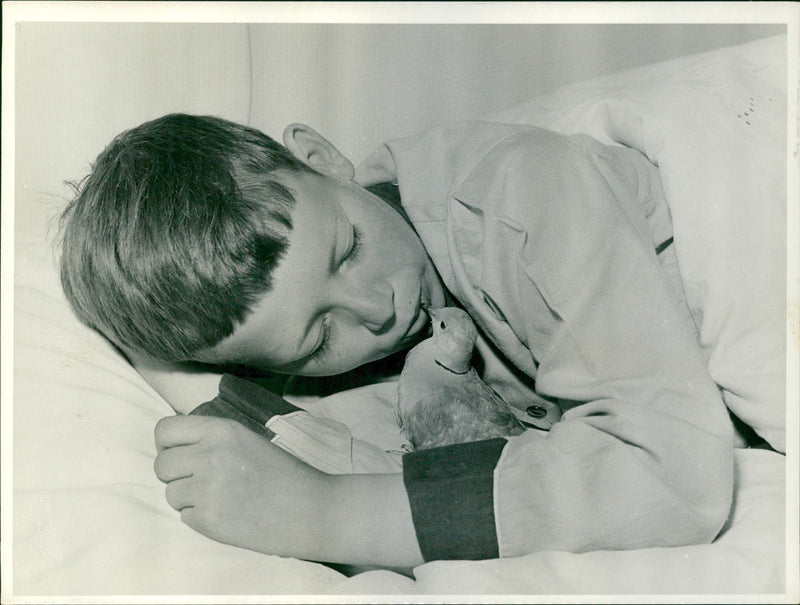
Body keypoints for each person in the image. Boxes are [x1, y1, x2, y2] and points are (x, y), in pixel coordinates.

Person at [59, 113, 735, 567]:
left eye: (346, 249)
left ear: (322, 159)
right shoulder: (325, 363)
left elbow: (674, 473)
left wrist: (332, 513)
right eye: (320, 335)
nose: (377, 307)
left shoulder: (521, 188)